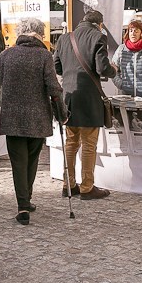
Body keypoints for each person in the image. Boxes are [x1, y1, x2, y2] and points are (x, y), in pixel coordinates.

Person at [0, 17, 62, 225]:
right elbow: (54, 89)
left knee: (18, 163)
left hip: (12, 118)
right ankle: (26, 200)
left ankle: (23, 205)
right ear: (40, 34)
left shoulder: (6, 55)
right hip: (38, 118)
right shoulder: (44, 56)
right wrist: (61, 112)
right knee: (32, 160)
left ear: (20, 32)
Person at [53, 10, 117, 201]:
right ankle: (87, 187)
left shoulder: (64, 38)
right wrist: (114, 69)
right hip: (89, 97)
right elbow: (102, 68)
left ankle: (69, 184)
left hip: (69, 96)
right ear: (99, 24)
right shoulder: (98, 36)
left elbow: (57, 66)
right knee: (89, 144)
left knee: (71, 143)